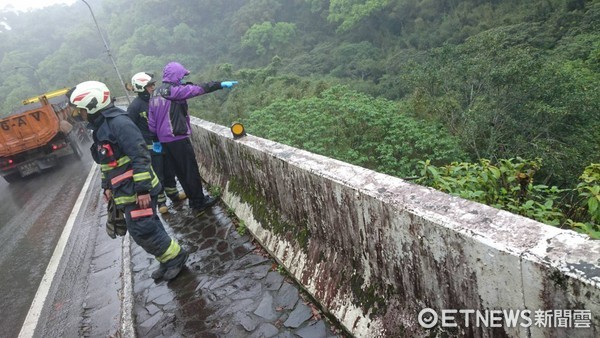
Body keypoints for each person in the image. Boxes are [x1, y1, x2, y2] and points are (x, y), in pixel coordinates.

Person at [68, 80, 187, 281]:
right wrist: (106, 186)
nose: (80, 114)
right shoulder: (101, 128)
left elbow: (140, 155)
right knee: (149, 224)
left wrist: (142, 190)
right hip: (126, 190)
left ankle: (175, 257)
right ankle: (166, 259)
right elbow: (107, 162)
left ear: (92, 105)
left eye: (81, 110)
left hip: (138, 190)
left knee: (142, 228)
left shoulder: (118, 123)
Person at [148, 61, 237, 216]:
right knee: (190, 171)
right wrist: (220, 84)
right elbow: (198, 89)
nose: (183, 78)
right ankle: (199, 202)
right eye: (182, 76)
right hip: (177, 138)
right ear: (176, 76)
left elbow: (151, 121)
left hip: (165, 142)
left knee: (180, 173)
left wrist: (156, 140)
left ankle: (193, 200)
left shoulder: (155, 94)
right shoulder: (173, 91)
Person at [127, 72, 186, 214]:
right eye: (150, 86)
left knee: (169, 170)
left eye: (153, 85)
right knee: (157, 174)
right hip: (150, 148)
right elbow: (131, 129)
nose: (153, 87)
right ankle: (161, 202)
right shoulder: (135, 107)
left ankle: (173, 194)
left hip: (164, 142)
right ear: (141, 88)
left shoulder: (157, 99)